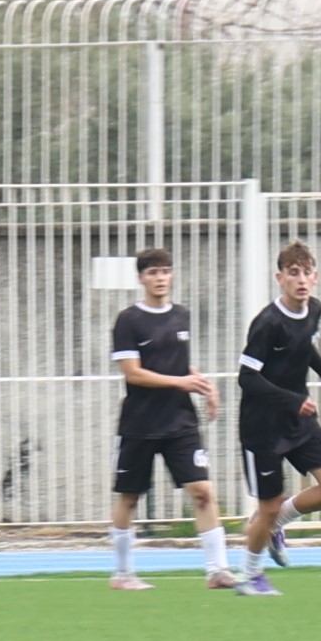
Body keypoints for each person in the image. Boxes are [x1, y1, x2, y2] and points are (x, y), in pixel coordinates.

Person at [101, 244, 230, 591]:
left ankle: (217, 570)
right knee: (129, 496)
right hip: (140, 423)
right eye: (152, 273)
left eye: (165, 271)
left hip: (180, 422)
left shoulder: (181, 315)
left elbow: (178, 364)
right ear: (142, 279)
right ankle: (122, 574)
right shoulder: (129, 320)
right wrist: (181, 381)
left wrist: (203, 385)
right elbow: (134, 374)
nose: (160, 278)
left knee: (203, 490)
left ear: (172, 275)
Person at [231, 239, 321, 595]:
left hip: (298, 421)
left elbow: (305, 347)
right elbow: (246, 377)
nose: (301, 279)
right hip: (262, 429)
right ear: (279, 278)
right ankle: (250, 576)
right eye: (293, 273)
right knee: (267, 506)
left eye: (306, 273)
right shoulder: (267, 323)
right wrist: (291, 400)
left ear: (315, 278)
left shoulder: (314, 309)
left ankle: (275, 524)